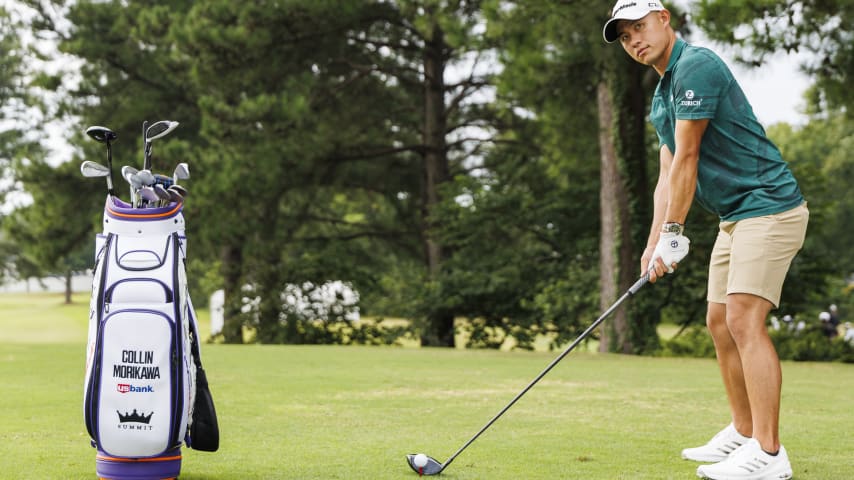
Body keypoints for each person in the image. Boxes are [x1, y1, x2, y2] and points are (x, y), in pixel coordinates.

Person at [602, 2, 809, 479]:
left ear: (663, 18)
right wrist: (654, 242)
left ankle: (770, 454)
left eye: (639, 27)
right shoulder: (662, 94)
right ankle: (742, 430)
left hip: (770, 206)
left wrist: (675, 233)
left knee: (742, 317)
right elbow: (667, 174)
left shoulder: (696, 66)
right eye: (625, 36)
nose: (635, 40)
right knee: (719, 321)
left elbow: (690, 156)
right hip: (735, 215)